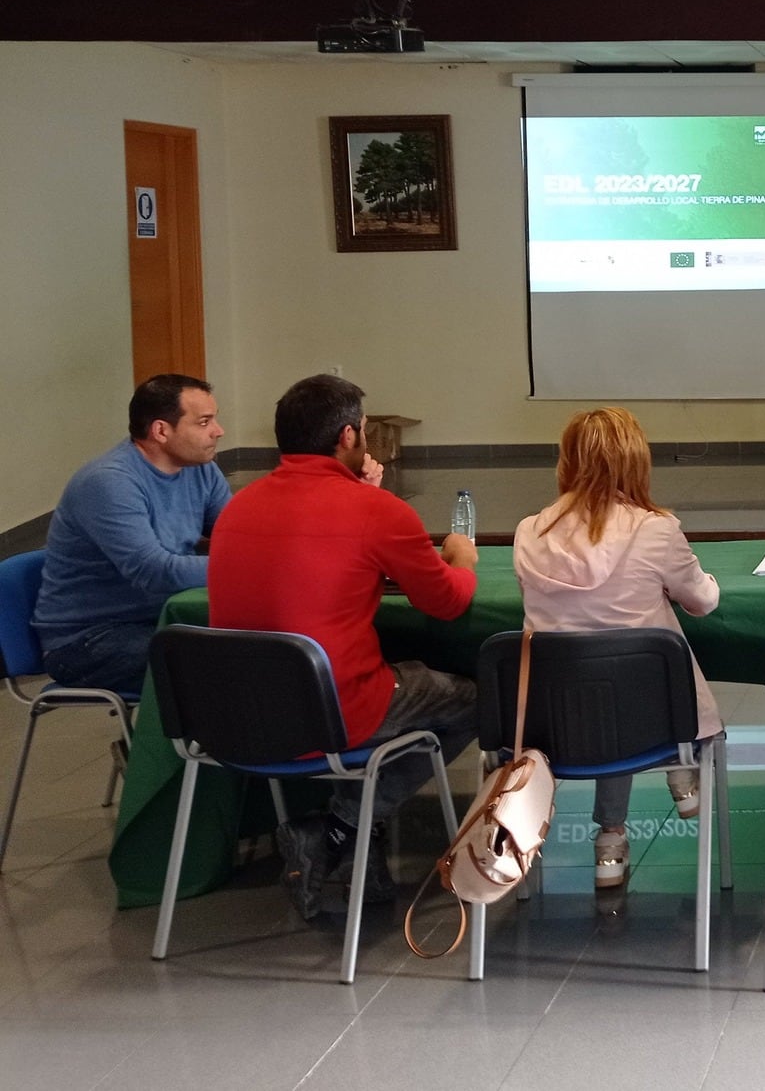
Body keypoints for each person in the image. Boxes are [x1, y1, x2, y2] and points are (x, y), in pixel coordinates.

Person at [207, 375, 477, 921]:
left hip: (237, 716)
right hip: (334, 712)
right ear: (350, 436)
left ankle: (350, 841)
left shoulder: (237, 509)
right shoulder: (376, 513)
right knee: (477, 698)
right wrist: (463, 557)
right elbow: (446, 604)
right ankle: (341, 825)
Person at [514, 408, 722, 893]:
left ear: (566, 461)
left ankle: (616, 833)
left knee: (599, 685)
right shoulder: (656, 530)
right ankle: (676, 769)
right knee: (640, 665)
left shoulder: (529, 532)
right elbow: (703, 601)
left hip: (555, 722)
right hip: (648, 717)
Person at [34, 375, 233, 694]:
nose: (218, 431)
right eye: (204, 422)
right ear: (161, 431)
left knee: (259, 643)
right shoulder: (109, 483)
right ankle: (168, 746)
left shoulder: (201, 468)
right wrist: (247, 565)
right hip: (88, 639)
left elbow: (238, 535)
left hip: (154, 616)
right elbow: (154, 571)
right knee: (217, 663)